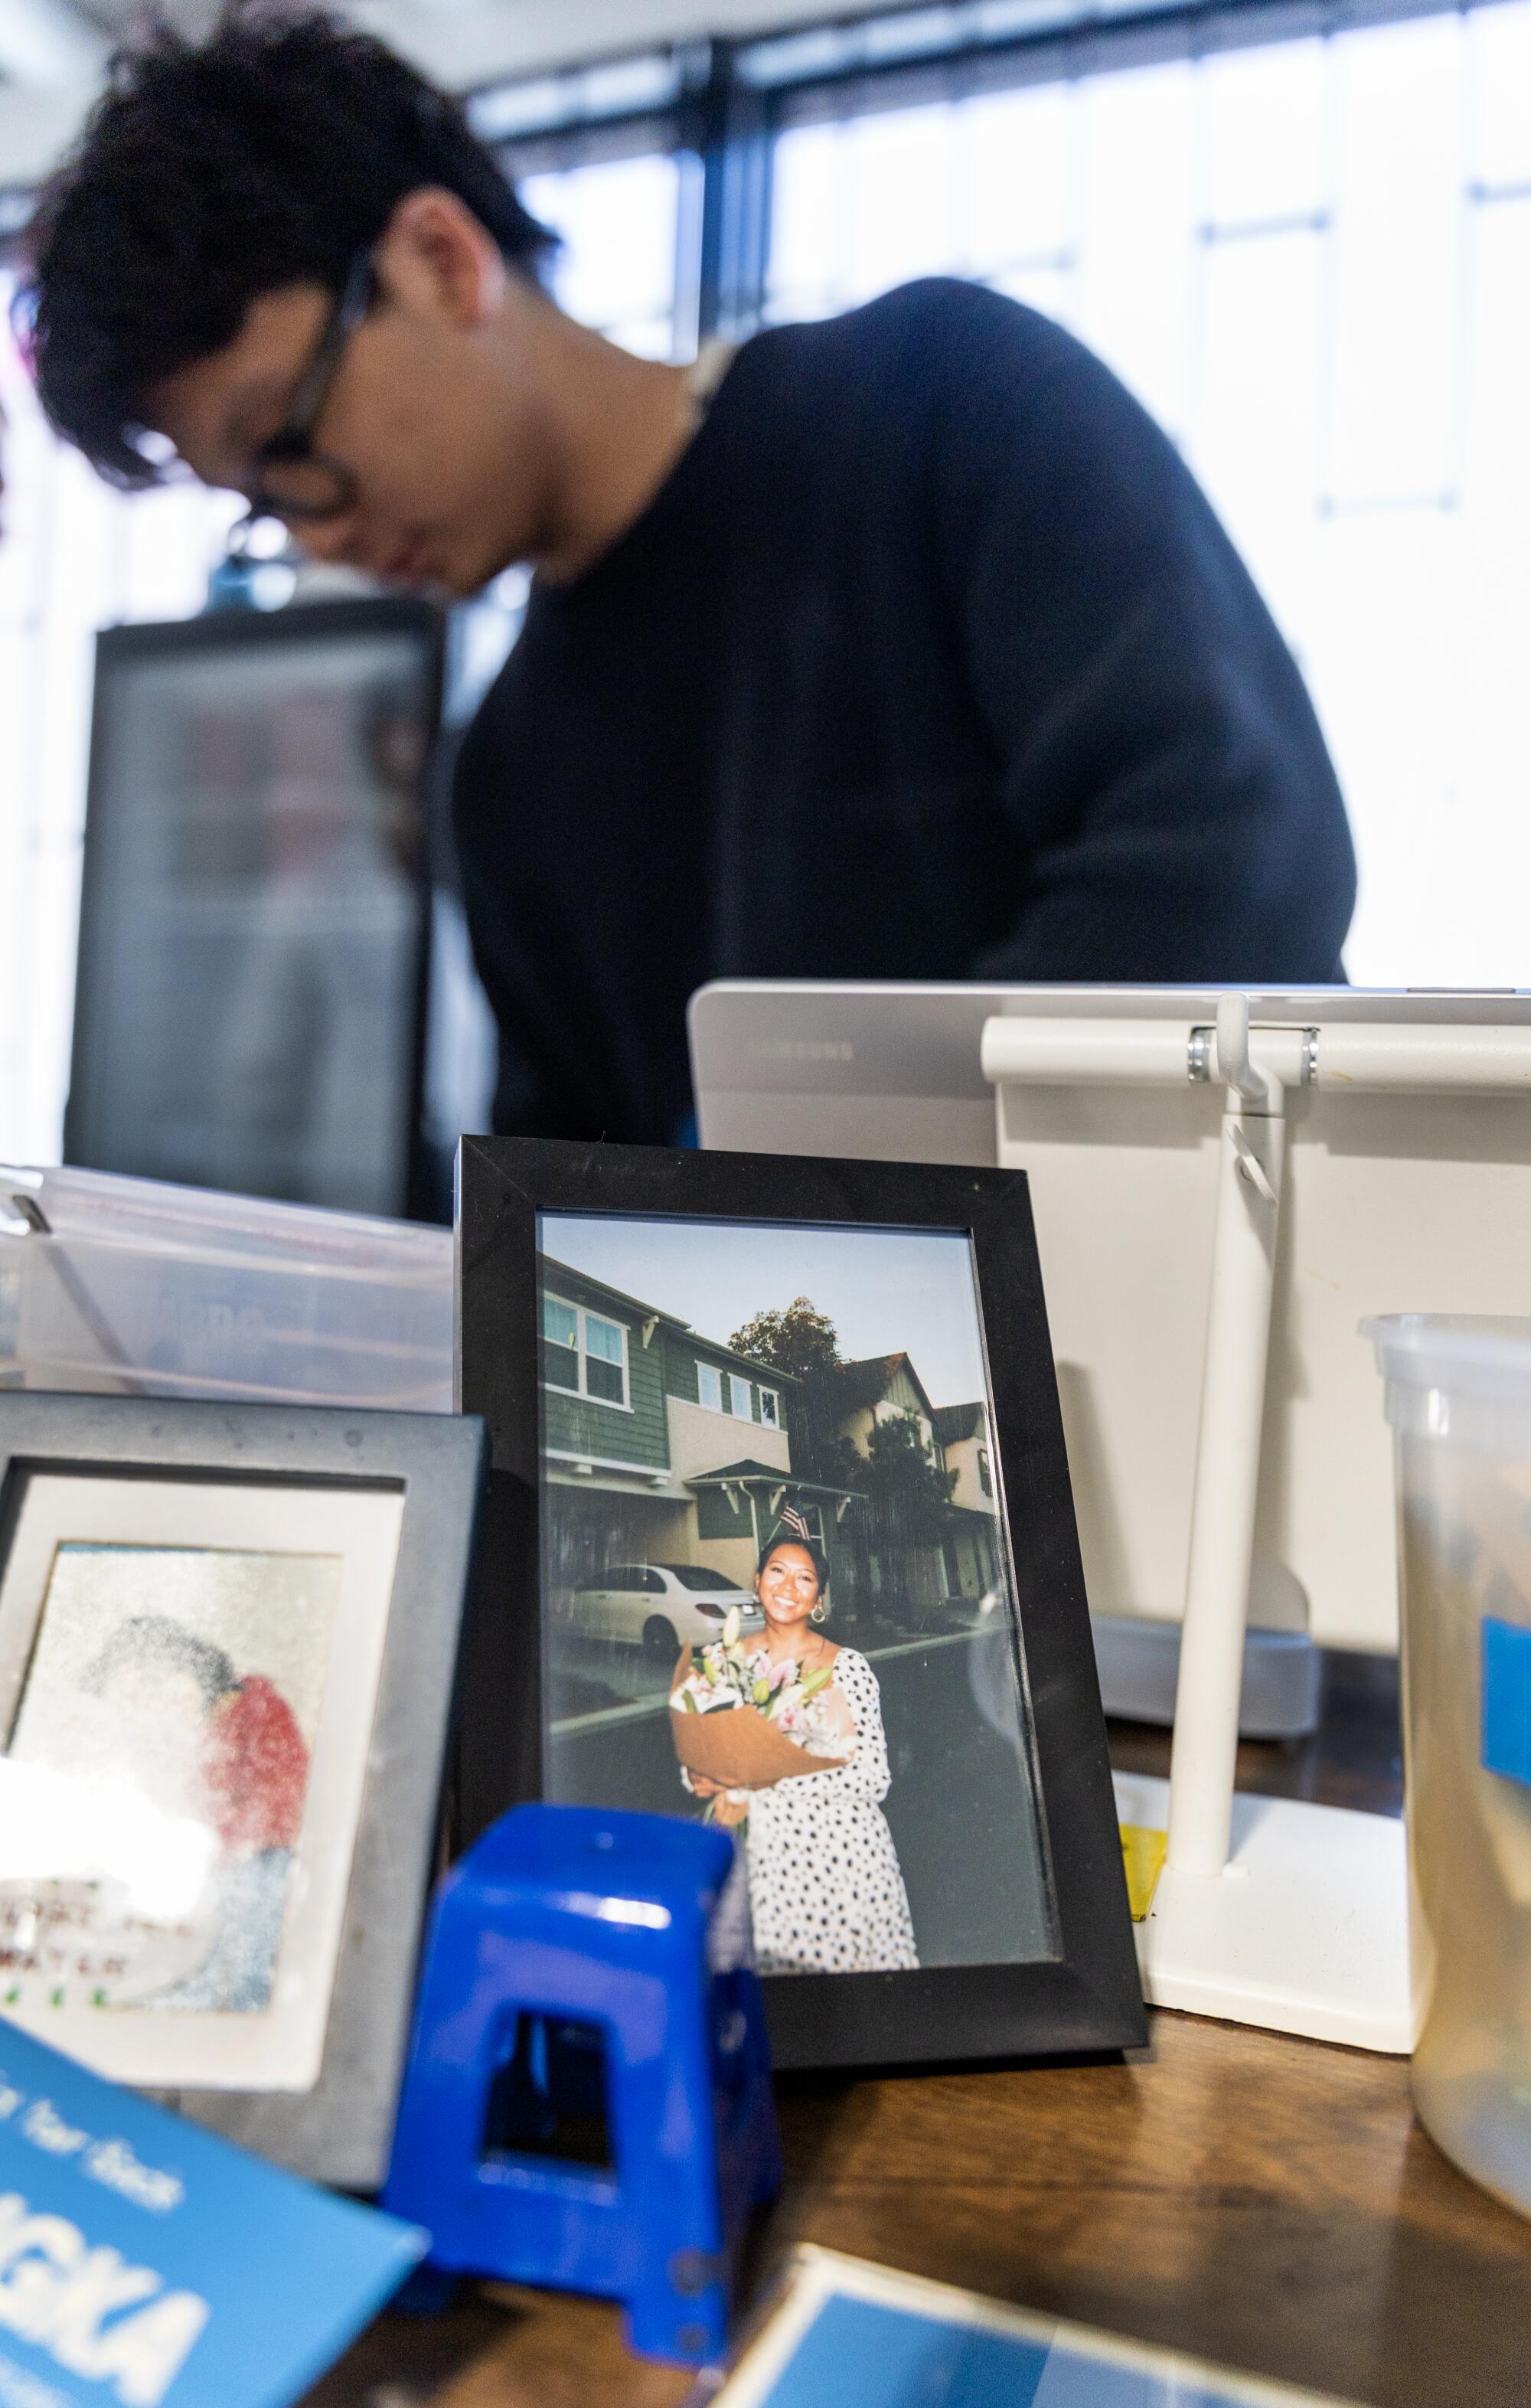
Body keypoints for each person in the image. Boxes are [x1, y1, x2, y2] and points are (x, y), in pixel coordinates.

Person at [18, 8, 1356, 1149]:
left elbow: (1233, 873)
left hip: (1201, 1371)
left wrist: (827, 1218)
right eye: (256, 506)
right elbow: (579, 1220)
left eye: (290, 445)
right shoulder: (506, 782)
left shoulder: (944, 409)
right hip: (812, 1429)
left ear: (438, 259)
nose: (314, 534)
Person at [687, 1532, 918, 1977]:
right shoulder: (724, 1663)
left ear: (818, 1599)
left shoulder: (842, 1667)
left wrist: (761, 1775)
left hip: (844, 1860)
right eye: (778, 1571)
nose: (788, 1586)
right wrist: (707, 1778)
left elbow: (871, 1775)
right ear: (757, 1581)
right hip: (767, 1861)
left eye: (805, 1578)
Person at [82, 1615, 310, 2009]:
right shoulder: (174, 1737)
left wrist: (208, 1846)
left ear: (192, 1666)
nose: (153, 1703)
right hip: (208, 1874)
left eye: (154, 1684)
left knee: (234, 1973)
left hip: (260, 1862)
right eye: (132, 1698)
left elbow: (280, 1802)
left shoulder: (259, 1705)